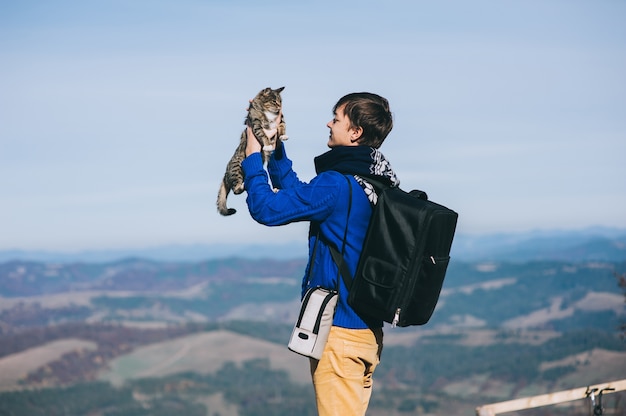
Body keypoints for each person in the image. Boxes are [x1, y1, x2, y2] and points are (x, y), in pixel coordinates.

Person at [242, 92, 399, 416]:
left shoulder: (338, 185)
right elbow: (301, 193)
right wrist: (273, 145)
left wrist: (253, 157)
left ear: (355, 132)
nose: (329, 123)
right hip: (366, 334)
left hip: (339, 335)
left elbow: (267, 209)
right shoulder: (375, 182)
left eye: (337, 118)